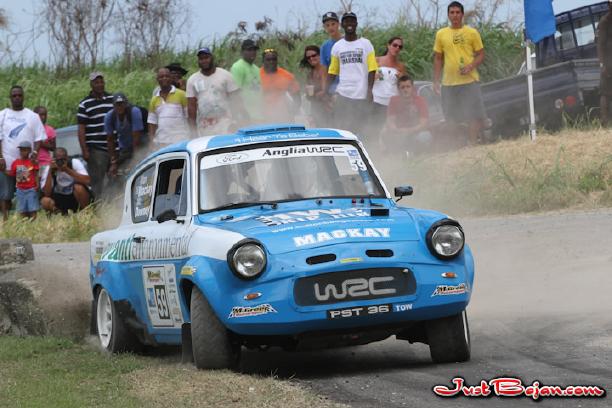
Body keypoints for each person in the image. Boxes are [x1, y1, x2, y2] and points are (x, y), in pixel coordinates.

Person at [433, 1, 485, 145]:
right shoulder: (441, 34)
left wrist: (471, 66)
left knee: (473, 115)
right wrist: (436, 81)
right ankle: (456, 145)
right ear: (448, 15)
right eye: (452, 12)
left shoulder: (471, 32)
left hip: (469, 80)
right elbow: (438, 58)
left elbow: (481, 54)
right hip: (449, 83)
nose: (455, 15)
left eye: (457, 12)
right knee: (450, 117)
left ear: (462, 14)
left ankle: (473, 143)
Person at [327, 12, 378, 136]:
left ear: (356, 24)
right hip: (343, 93)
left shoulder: (366, 44)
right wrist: (326, 91)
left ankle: (362, 150)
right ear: (342, 25)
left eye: (352, 21)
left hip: (361, 93)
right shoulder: (337, 46)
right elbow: (333, 71)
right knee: (342, 126)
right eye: (346, 21)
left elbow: (372, 68)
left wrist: (370, 90)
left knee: (360, 127)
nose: (349, 24)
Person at [0, 85, 46, 221]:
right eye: (14, 96)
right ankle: (6, 221)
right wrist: (0, 157)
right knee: (5, 194)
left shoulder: (33, 116)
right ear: (10, 98)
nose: (17, 98)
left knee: (25, 192)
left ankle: (27, 221)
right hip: (7, 162)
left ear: (23, 97)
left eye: (19, 95)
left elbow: (39, 138)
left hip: (25, 165)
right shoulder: (2, 115)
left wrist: (35, 152)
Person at [187, 47, 248, 136]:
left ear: (212, 58)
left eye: (206, 58)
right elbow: (191, 107)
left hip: (226, 124)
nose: (204, 61)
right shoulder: (192, 80)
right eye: (201, 59)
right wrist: (193, 131)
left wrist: (237, 121)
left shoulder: (225, 75)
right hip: (204, 127)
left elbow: (236, 100)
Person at [77, 71, 113, 198]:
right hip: (96, 149)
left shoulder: (111, 100)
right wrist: (84, 150)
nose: (100, 85)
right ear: (91, 84)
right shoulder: (85, 104)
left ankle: (114, 207)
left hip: (112, 147)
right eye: (96, 82)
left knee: (115, 179)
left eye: (101, 82)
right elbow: (81, 129)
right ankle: (99, 209)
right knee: (98, 181)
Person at [385, 75, 430, 156]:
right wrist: (397, 130)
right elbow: (390, 121)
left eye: (408, 87)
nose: (405, 90)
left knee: (425, 136)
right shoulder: (394, 100)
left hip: (416, 132)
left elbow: (424, 123)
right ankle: (390, 156)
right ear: (398, 89)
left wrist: (409, 130)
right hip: (399, 133)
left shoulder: (420, 100)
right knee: (384, 133)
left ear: (412, 88)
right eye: (402, 87)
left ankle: (419, 155)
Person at [40, 147, 92, 214]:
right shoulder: (49, 168)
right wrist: (50, 171)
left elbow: (88, 181)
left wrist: (67, 170)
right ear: (54, 160)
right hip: (60, 198)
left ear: (67, 158)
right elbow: (46, 193)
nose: (60, 162)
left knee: (79, 188)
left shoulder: (74, 163)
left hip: (75, 197)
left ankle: (87, 213)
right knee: (45, 201)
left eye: (63, 159)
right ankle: (60, 215)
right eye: (58, 160)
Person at [105, 93, 144, 177]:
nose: (120, 107)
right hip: (124, 146)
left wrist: (135, 159)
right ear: (113, 106)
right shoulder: (109, 116)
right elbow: (110, 139)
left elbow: (136, 138)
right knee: (114, 171)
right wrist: (113, 161)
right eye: (117, 105)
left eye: (122, 104)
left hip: (140, 144)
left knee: (137, 167)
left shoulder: (134, 112)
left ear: (126, 104)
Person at [372, 37, 407, 132]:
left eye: (400, 47)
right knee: (374, 128)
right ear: (388, 45)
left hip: (392, 103)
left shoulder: (400, 66)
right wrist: (372, 77)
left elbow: (405, 86)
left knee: (390, 130)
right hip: (376, 100)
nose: (397, 48)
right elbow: (363, 79)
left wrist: (401, 79)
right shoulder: (377, 60)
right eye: (395, 45)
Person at [148, 67, 189, 147]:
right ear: (157, 79)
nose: (164, 78)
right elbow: (152, 122)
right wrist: (151, 142)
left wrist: (191, 135)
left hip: (180, 140)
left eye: (167, 76)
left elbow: (188, 117)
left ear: (171, 78)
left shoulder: (181, 94)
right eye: (161, 77)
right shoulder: (154, 99)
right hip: (161, 142)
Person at [260, 48, 301, 122]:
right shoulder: (257, 75)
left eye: (274, 59)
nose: (271, 62)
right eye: (268, 59)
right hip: (262, 117)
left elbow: (297, 96)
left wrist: (293, 112)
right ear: (263, 61)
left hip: (283, 116)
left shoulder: (286, 75)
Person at [231, 39, 263, 122]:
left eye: (254, 50)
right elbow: (234, 93)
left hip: (259, 115)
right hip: (245, 116)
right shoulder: (237, 67)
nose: (252, 52)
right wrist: (239, 114)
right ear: (242, 52)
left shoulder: (257, 69)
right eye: (249, 50)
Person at [8, 141, 39, 219]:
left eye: (25, 150)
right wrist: (3, 170)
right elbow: (12, 174)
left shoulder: (32, 162)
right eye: (21, 150)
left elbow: (36, 173)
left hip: (31, 189)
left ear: (29, 151)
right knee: (22, 209)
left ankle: (33, 224)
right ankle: (25, 225)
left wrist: (37, 184)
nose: (22, 152)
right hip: (20, 189)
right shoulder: (16, 162)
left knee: (32, 208)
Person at [300, 45, 329, 126]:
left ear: (320, 55)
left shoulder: (324, 69)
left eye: (313, 55)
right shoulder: (310, 73)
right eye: (308, 58)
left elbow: (325, 90)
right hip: (316, 109)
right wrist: (307, 93)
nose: (311, 58)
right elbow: (309, 96)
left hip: (327, 108)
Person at [597, 2, 612, 126]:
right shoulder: (604, 22)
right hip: (609, 62)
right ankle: (605, 122)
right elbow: (600, 45)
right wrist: (602, 64)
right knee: (605, 93)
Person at [320, 11, 341, 95]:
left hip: (351, 86)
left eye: (333, 24)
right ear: (324, 27)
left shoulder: (348, 41)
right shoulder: (325, 47)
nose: (330, 27)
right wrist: (324, 91)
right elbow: (324, 73)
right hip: (334, 88)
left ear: (338, 24)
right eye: (327, 25)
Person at [33, 105, 56, 177]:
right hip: (30, 162)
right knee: (25, 186)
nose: (43, 117)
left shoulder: (50, 129)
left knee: (45, 186)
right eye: (40, 114)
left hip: (45, 163)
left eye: (45, 115)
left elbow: (53, 147)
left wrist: (40, 143)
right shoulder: (29, 128)